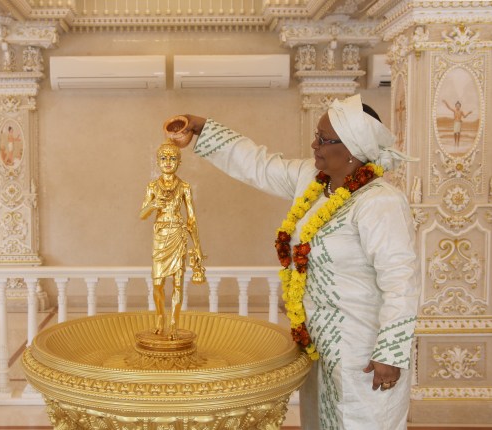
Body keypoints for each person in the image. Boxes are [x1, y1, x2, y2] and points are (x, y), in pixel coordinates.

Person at [175, 93, 419, 430]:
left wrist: (390, 353)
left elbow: (401, 280)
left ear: (351, 148)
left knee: (363, 422)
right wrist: (203, 128)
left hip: (363, 349)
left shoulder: (380, 201)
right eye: (317, 135)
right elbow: (259, 165)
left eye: (324, 139)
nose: (314, 144)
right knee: (319, 421)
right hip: (317, 343)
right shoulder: (311, 180)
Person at [140, 141, 205, 340]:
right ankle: (160, 317)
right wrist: (153, 205)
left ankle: (174, 323)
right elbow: (142, 214)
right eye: (164, 158)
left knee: (177, 283)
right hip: (160, 237)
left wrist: (198, 247)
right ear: (158, 161)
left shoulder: (184, 187)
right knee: (158, 283)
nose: (168, 162)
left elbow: (192, 219)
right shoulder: (152, 186)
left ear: (179, 162)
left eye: (172, 158)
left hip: (178, 234)